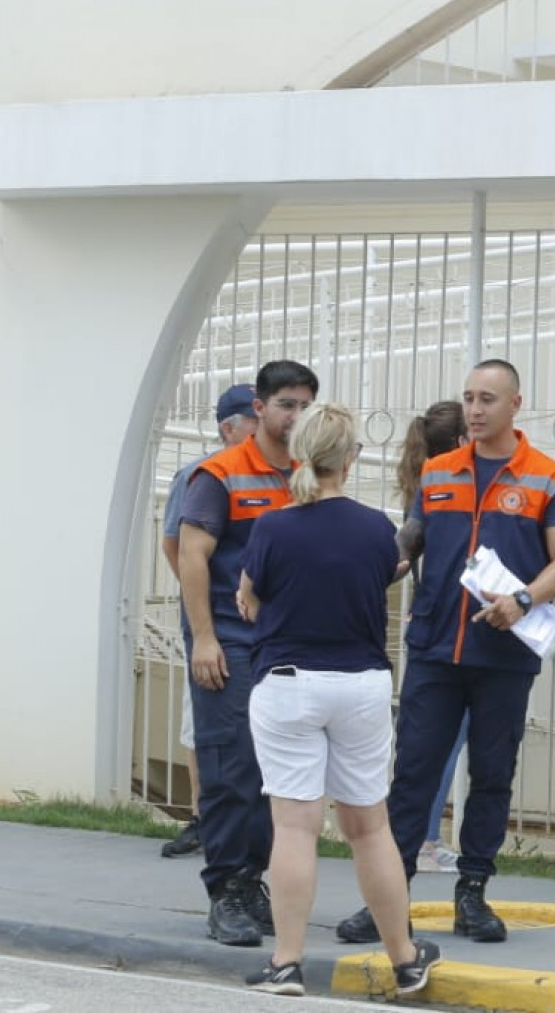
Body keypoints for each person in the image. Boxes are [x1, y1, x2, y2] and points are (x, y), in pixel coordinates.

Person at [337, 360, 555, 945]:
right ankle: (388, 901)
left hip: (503, 654)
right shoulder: (437, 471)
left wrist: (523, 600)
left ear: (515, 404)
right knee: (413, 775)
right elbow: (409, 541)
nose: (474, 409)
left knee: (492, 776)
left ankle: (472, 894)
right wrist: (370, 566)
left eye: (487, 399)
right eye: (469, 398)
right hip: (434, 648)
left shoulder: (549, 479)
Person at [233, 403, 440, 998]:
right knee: (370, 828)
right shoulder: (375, 528)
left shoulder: (272, 527)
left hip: (289, 683)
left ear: (299, 455)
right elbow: (383, 575)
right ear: (349, 459)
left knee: (295, 828)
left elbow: (249, 596)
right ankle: (405, 960)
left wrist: (261, 602)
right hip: (360, 684)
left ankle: (287, 962)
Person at [179, 360, 319, 946]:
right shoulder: (221, 474)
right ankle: (226, 892)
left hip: (283, 642)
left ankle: (251, 880)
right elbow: (190, 555)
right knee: (231, 764)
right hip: (229, 639)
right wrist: (204, 638)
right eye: (286, 404)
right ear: (258, 408)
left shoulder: (308, 475)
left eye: (305, 406)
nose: (296, 416)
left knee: (273, 770)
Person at [158, 383, 257, 860]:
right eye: (253, 421)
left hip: (260, 627)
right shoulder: (202, 475)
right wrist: (203, 611)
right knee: (203, 724)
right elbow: (175, 545)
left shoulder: (275, 475)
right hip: (216, 625)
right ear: (228, 428)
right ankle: (204, 819)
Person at [394, 401, 470, 875]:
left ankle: (416, 834)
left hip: (428, 619)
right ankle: (424, 838)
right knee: (444, 740)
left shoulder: (423, 486)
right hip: (449, 623)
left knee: (424, 740)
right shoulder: (448, 486)